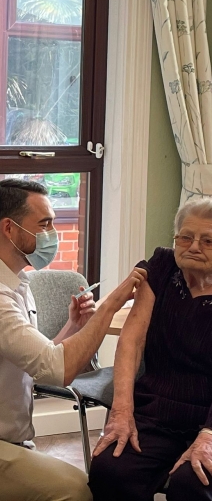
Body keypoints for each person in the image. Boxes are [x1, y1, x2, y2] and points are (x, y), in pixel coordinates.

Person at [0, 179, 146, 501]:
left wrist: (74, 325)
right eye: (44, 224)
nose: (52, 234)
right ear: (9, 228)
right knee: (76, 492)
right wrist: (113, 302)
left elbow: (37, 362)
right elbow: (57, 369)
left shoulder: (17, 282)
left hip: (3, 445)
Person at [89, 198, 212, 501]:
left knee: (194, 483)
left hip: (209, 418)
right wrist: (121, 411)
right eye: (186, 236)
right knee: (110, 469)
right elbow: (131, 340)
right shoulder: (161, 266)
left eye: (208, 240)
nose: (193, 246)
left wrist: (208, 435)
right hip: (156, 412)